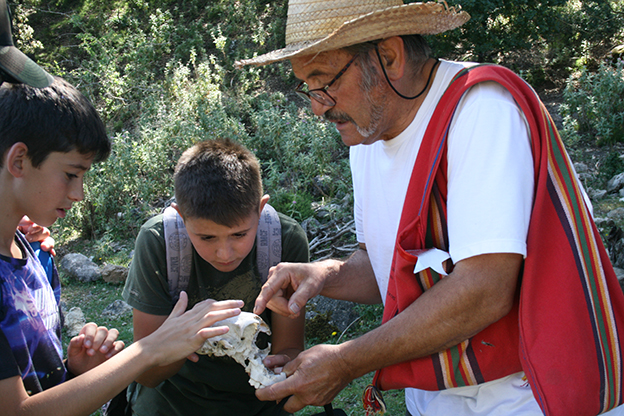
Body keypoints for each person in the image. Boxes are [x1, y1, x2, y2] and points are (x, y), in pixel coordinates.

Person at [235, 1, 624, 415]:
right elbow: (385, 267)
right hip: (435, 400)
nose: (317, 106)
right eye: (306, 87)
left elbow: (485, 290)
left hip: (531, 397)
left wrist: (347, 361)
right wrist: (322, 276)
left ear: (389, 57)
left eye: (323, 81)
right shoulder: (367, 135)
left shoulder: (480, 110)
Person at [0, 4, 244, 414]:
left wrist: (77, 373)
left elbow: (39, 389)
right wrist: (149, 350)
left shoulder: (35, 256)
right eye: (72, 174)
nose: (78, 194)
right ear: (19, 160)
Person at [122, 138, 309, 416]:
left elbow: (289, 349)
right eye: (206, 237)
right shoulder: (159, 242)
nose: (224, 253)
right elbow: (146, 373)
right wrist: (186, 340)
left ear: (260, 210)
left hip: (256, 404)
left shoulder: (285, 241)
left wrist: (282, 372)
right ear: (181, 217)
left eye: (239, 234)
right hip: (170, 404)